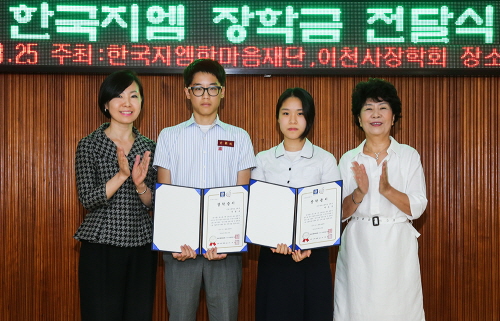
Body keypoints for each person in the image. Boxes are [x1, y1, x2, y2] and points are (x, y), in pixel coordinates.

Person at [153, 59, 256, 321]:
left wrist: (227, 242)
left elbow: (242, 196)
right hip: (180, 251)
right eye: (198, 89)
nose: (205, 95)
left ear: (223, 91)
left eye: (212, 88)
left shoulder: (239, 137)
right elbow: (166, 195)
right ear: (187, 92)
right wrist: (173, 241)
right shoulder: (169, 136)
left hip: (224, 252)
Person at [333, 78, 427, 321]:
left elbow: (417, 207)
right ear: (358, 118)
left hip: (397, 245)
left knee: (401, 311)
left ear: (393, 117)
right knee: (356, 310)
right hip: (358, 245)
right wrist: (359, 194)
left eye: (383, 107)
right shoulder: (348, 159)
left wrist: (388, 191)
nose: (376, 114)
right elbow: (338, 213)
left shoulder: (408, 156)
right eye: (368, 108)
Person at [74, 70, 157, 321]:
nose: (127, 103)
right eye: (119, 96)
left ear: (141, 102)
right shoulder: (89, 144)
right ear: (106, 104)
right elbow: (87, 199)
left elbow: (153, 202)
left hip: (142, 243)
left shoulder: (150, 147)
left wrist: (140, 184)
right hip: (101, 245)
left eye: (134, 96)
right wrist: (121, 176)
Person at [251, 88, 341, 321]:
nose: (292, 120)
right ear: (277, 118)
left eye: (300, 114)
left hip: (314, 257)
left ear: (309, 118)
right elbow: (257, 210)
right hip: (274, 256)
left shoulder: (325, 160)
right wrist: (271, 240)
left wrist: (309, 245)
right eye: (285, 113)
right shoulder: (262, 159)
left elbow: (331, 212)